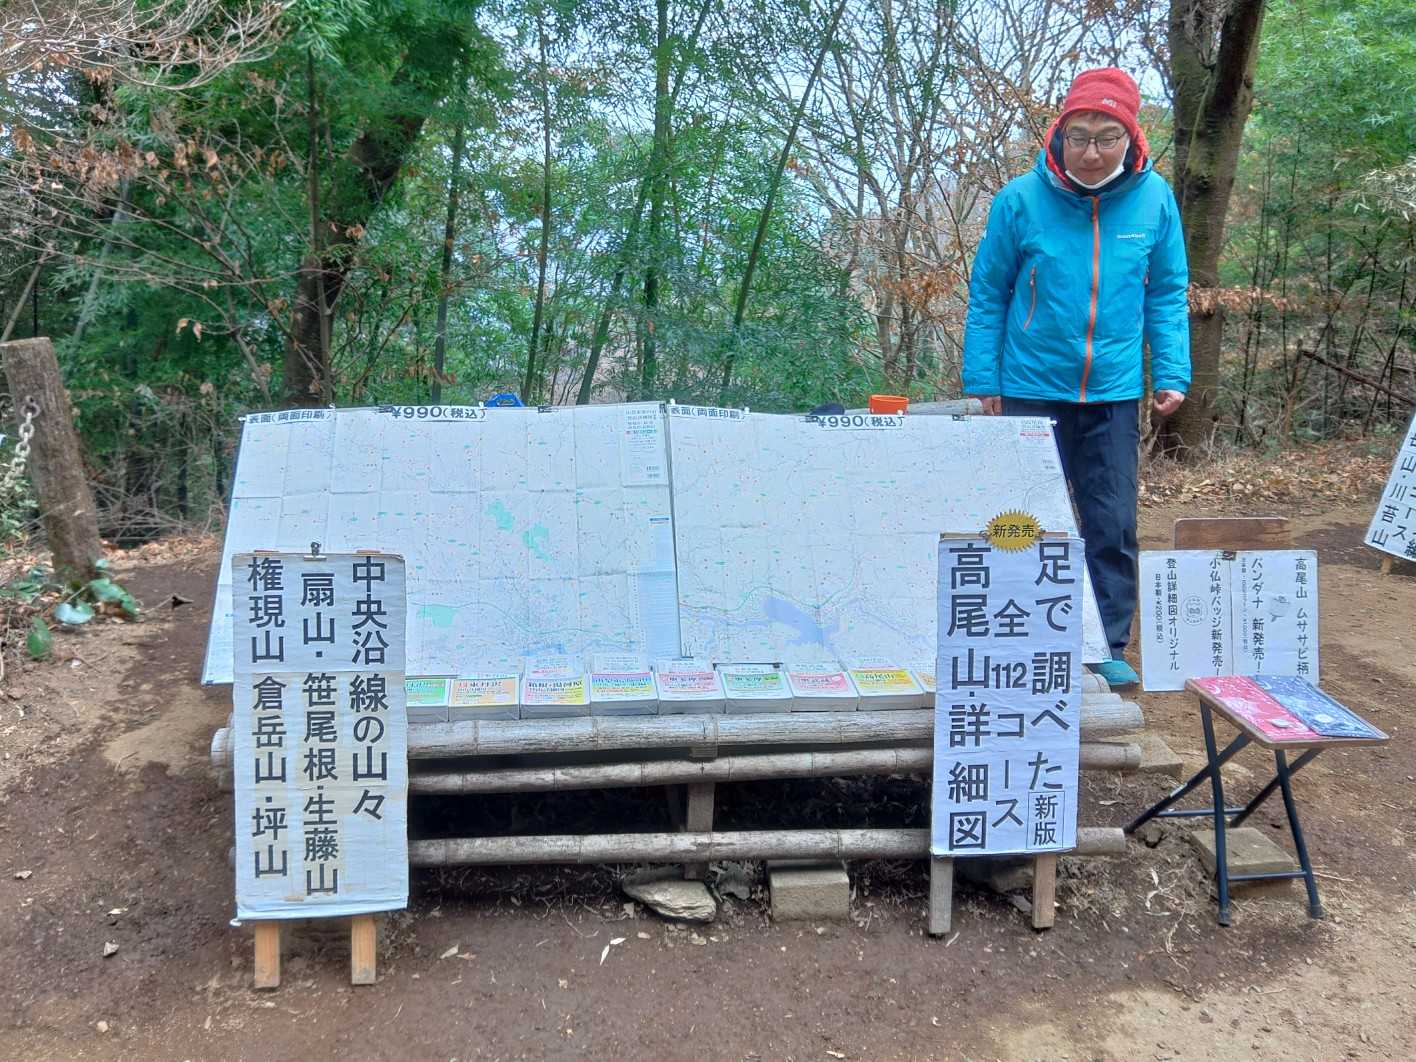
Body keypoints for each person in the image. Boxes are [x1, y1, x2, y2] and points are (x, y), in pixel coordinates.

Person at [961, 67, 1190, 687]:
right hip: (1029, 385)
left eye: (1106, 137)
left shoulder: (1154, 199)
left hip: (1113, 389)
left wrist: (1172, 370)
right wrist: (984, 379)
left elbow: (1167, 292)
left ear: (1131, 138)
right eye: (1079, 136)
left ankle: (1105, 642)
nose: (1091, 152)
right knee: (1019, 519)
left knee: (1111, 522)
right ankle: (1011, 633)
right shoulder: (1020, 200)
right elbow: (989, 293)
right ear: (1059, 134)